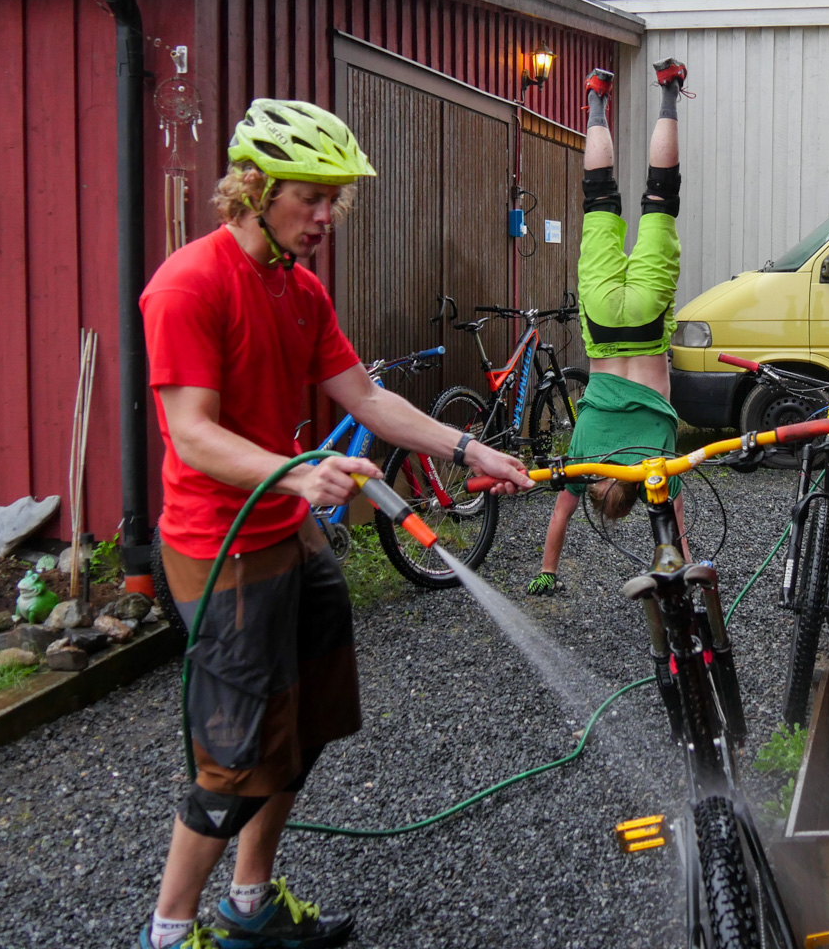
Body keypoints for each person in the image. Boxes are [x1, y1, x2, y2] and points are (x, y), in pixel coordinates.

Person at [138, 98, 532, 949]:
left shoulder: (298, 287)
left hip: (290, 532)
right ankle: (168, 933)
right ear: (254, 185)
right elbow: (193, 433)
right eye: (310, 197)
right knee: (231, 759)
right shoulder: (190, 285)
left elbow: (367, 397)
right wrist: (293, 471)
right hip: (222, 546)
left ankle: (249, 905)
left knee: (307, 724)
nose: (325, 217)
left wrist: (469, 448)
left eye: (334, 200)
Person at [526, 60, 690, 596]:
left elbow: (678, 534)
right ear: (598, 488)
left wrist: (683, 571)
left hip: (644, 322)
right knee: (599, 198)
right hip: (599, 312)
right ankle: (596, 99)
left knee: (660, 197)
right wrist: (545, 570)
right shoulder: (585, 451)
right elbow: (559, 519)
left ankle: (669, 90)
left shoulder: (656, 465)